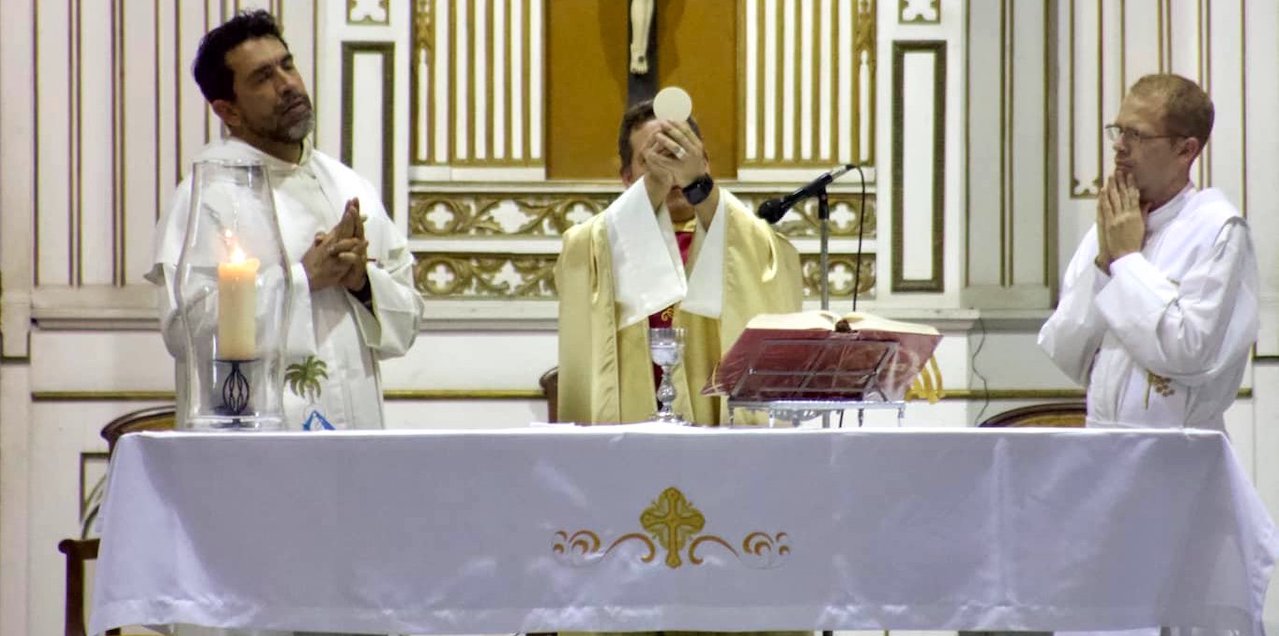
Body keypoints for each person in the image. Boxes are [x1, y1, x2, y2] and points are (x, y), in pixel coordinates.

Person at [148, 9, 425, 435]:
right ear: (229, 110)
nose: (288, 84)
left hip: (356, 437)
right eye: (263, 78)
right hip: (258, 445)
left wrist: (362, 284)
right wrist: (302, 279)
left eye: (287, 65)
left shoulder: (347, 183)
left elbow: (405, 325)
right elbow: (186, 330)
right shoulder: (208, 196)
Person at [554, 99, 804, 426]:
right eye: (653, 158)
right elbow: (576, 260)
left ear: (704, 163)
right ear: (627, 176)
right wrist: (650, 194)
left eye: (678, 154)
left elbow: (771, 266)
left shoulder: (738, 236)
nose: (670, 170)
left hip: (717, 430)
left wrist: (698, 187)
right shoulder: (599, 243)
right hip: (631, 423)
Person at [1039, 73, 1258, 433]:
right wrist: (1103, 265)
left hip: (1177, 449)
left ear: (1185, 149)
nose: (1119, 146)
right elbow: (1066, 350)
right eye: (1118, 130)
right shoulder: (1112, 224)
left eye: (1136, 135)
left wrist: (1126, 262)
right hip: (1101, 439)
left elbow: (1189, 353)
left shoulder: (1217, 227)